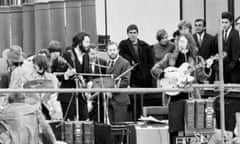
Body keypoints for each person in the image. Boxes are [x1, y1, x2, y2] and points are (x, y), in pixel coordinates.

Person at [151, 33, 201, 144]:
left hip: (190, 94)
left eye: (183, 41)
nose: (180, 44)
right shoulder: (170, 56)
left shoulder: (195, 59)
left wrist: (206, 68)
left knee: (192, 126)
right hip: (173, 95)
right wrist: (165, 74)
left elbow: (200, 77)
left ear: (189, 43)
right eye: (179, 41)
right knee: (175, 126)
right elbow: (155, 69)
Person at [119, 24, 154, 120]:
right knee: (135, 102)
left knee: (143, 102)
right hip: (133, 78)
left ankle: (142, 119)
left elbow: (151, 61)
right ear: (127, 34)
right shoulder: (124, 45)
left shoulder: (144, 45)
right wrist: (130, 61)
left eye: (134, 33)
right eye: (130, 33)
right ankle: (136, 119)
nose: (132, 35)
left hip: (144, 78)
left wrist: (148, 73)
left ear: (137, 33)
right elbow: (121, 54)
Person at [56, 32, 92, 120]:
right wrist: (66, 75)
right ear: (79, 43)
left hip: (82, 94)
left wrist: (90, 82)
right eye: (86, 42)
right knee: (69, 123)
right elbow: (58, 73)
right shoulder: (67, 55)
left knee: (85, 120)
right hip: (68, 94)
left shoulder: (86, 56)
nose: (89, 45)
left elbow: (88, 73)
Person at [213, 12, 240, 83]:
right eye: (222, 22)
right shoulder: (218, 34)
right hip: (222, 68)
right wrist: (216, 65)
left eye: (226, 22)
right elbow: (215, 50)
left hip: (234, 69)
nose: (224, 24)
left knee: (233, 90)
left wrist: (231, 66)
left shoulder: (235, 33)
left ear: (231, 22)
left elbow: (236, 52)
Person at [193, 18, 215, 83]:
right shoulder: (191, 38)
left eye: (199, 25)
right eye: (196, 25)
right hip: (194, 69)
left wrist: (210, 61)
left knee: (207, 91)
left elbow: (214, 53)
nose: (197, 27)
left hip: (207, 69)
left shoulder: (211, 38)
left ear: (204, 27)